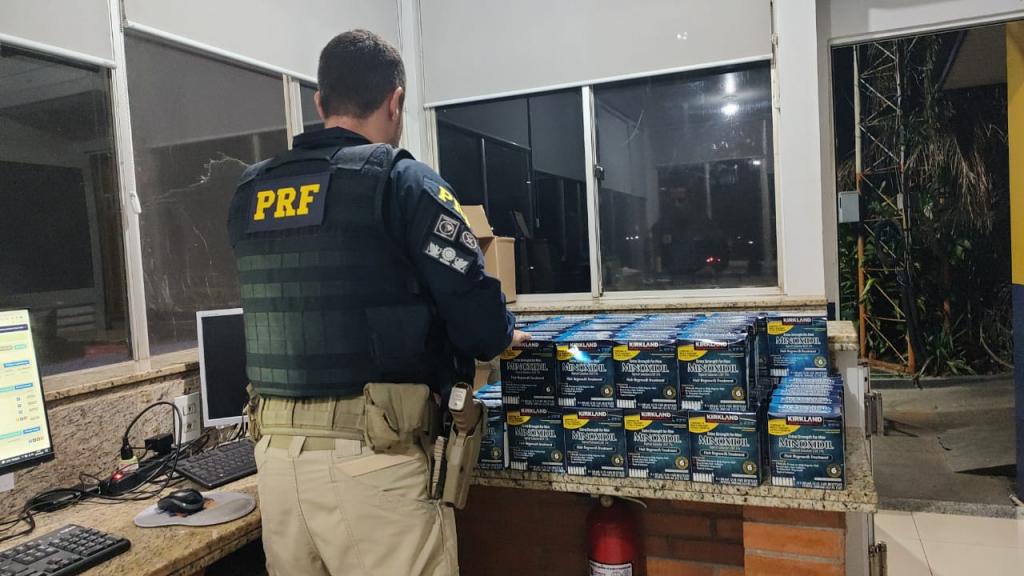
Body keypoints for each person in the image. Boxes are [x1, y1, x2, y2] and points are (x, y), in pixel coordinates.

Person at [226, 29, 528, 576]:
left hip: (274, 465)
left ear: (320, 103)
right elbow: (479, 324)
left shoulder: (251, 192)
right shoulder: (403, 182)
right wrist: (506, 333)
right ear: (396, 101)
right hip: (374, 464)